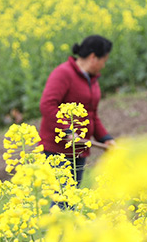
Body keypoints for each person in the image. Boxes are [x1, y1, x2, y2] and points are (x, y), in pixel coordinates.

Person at [39, 34, 116, 185]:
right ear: (93, 57)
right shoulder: (63, 73)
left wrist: (106, 139)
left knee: (72, 199)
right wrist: (67, 131)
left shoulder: (92, 80)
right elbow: (47, 105)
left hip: (79, 148)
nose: (104, 66)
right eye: (103, 61)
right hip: (57, 149)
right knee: (63, 198)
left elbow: (92, 115)